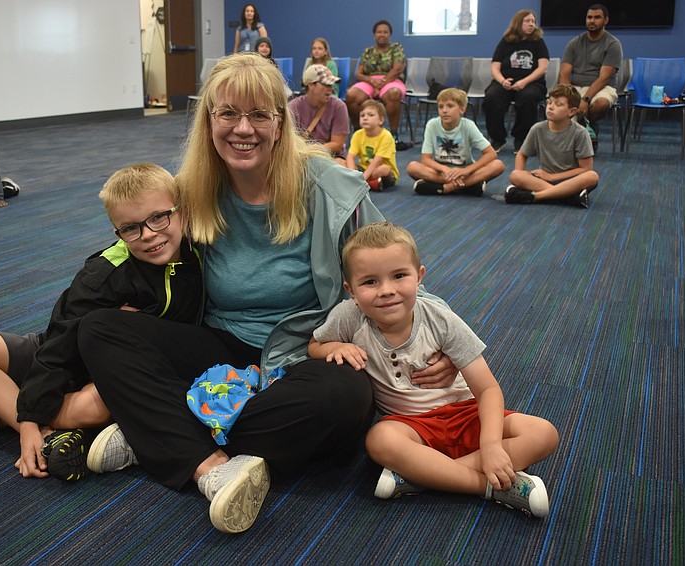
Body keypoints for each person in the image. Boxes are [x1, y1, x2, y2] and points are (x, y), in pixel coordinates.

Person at [75, 53, 458, 534]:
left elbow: (392, 265)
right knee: (100, 329)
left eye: (259, 114)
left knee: (345, 397)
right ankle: (206, 461)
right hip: (222, 349)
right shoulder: (190, 192)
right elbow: (127, 248)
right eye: (228, 114)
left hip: (307, 351)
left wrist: (440, 336)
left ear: (281, 122)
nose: (244, 129)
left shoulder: (330, 188)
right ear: (209, 121)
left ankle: (157, 433)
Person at [0, 163, 203, 482]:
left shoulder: (198, 252)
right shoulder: (104, 273)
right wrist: (28, 425)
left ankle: (4, 411)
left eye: (158, 217)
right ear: (117, 231)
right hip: (59, 355)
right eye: (131, 228)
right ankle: (35, 426)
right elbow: (59, 344)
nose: (148, 235)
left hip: (109, 375)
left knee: (97, 405)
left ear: (180, 211)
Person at [309, 222, 560, 518]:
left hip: (465, 414)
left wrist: (492, 445)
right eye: (370, 282)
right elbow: (314, 345)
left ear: (419, 277)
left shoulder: (441, 320)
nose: (386, 291)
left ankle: (424, 476)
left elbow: (487, 390)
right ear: (351, 290)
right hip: (411, 426)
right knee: (379, 440)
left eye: (399, 276)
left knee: (544, 433)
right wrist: (333, 347)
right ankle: (488, 485)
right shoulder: (349, 317)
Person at [506, 84, 599, 208]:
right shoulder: (538, 129)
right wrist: (521, 177)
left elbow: (586, 169)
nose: (551, 107)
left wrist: (553, 177)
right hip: (543, 180)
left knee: (592, 177)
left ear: (572, 111)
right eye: (549, 102)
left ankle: (536, 196)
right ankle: (568, 197)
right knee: (515, 175)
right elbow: (522, 155)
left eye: (558, 104)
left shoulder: (580, 133)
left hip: (571, 180)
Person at [407, 88, 505, 196]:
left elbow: (491, 154)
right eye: (440, 107)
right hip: (441, 172)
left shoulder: (468, 125)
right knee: (412, 167)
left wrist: (467, 170)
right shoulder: (432, 124)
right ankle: (468, 186)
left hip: (464, 172)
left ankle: (445, 188)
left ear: (462, 110)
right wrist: (443, 168)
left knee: (498, 165)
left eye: (450, 106)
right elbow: (425, 159)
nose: (444, 110)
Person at [482, 10, 550, 154]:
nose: (531, 24)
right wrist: (502, 81)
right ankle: (498, 139)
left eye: (533, 21)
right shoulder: (506, 42)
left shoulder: (538, 42)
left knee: (528, 97)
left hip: (531, 83)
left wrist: (524, 82)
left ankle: (521, 138)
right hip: (505, 82)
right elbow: (495, 67)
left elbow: (542, 68)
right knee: (491, 97)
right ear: (518, 23)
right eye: (527, 21)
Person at [558, 4, 623, 149]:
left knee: (601, 104)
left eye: (597, 17)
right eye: (589, 17)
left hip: (602, 87)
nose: (592, 21)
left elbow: (604, 78)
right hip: (575, 86)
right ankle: (585, 130)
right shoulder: (574, 43)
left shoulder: (613, 44)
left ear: (606, 20)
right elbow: (564, 73)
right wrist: (569, 96)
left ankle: (588, 125)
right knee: (559, 104)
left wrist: (585, 99)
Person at [345, 20, 410, 150]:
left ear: (390, 35)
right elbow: (359, 74)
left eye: (385, 32)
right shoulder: (368, 51)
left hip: (391, 80)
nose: (382, 34)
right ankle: (359, 133)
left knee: (394, 94)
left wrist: (381, 84)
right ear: (374, 35)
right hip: (370, 81)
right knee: (351, 95)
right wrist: (372, 82)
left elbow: (397, 69)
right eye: (379, 32)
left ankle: (393, 136)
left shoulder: (396, 48)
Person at [289, 64, 349, 164]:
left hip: (331, 156)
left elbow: (337, 144)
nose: (331, 89)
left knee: (340, 164)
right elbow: (288, 140)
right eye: (326, 85)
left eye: (331, 85)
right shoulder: (293, 107)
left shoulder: (339, 107)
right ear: (311, 85)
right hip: (300, 156)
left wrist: (311, 151)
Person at [345, 100, 398, 191]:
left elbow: (376, 162)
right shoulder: (357, 134)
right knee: (340, 162)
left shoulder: (386, 136)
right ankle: (372, 183)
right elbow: (350, 156)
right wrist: (352, 174)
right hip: (364, 169)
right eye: (362, 115)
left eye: (370, 115)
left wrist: (362, 179)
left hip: (380, 171)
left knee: (384, 169)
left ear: (381, 120)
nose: (365, 118)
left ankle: (363, 183)